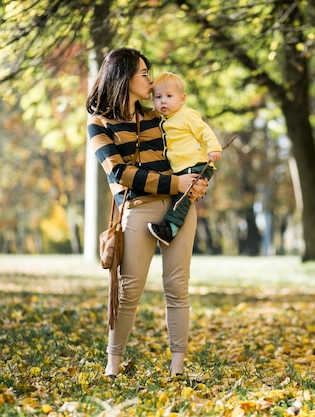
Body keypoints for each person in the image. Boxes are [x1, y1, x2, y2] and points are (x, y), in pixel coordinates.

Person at [85, 48, 208, 378]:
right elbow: (120, 173)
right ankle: (112, 365)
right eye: (143, 73)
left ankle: (178, 369)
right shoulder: (99, 125)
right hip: (138, 209)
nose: (150, 79)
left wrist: (197, 180)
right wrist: (176, 184)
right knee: (128, 291)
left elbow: (188, 151)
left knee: (177, 288)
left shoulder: (160, 117)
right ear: (123, 77)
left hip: (180, 211)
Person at [147, 72, 222, 246]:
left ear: (182, 99)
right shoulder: (163, 120)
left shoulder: (187, 115)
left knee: (183, 198)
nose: (163, 101)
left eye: (169, 96)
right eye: (158, 97)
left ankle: (170, 229)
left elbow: (204, 131)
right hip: (182, 167)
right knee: (181, 196)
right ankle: (169, 227)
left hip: (195, 164)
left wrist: (213, 148)